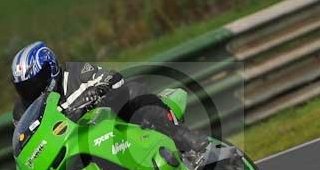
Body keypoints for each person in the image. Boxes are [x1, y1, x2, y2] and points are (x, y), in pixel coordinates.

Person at [11, 41, 207, 153]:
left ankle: (181, 134)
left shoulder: (76, 73)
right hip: (78, 146)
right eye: (25, 88)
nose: (32, 91)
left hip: (110, 122)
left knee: (131, 93)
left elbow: (112, 78)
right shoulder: (22, 112)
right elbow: (27, 146)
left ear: (51, 68)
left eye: (36, 83)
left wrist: (99, 90)